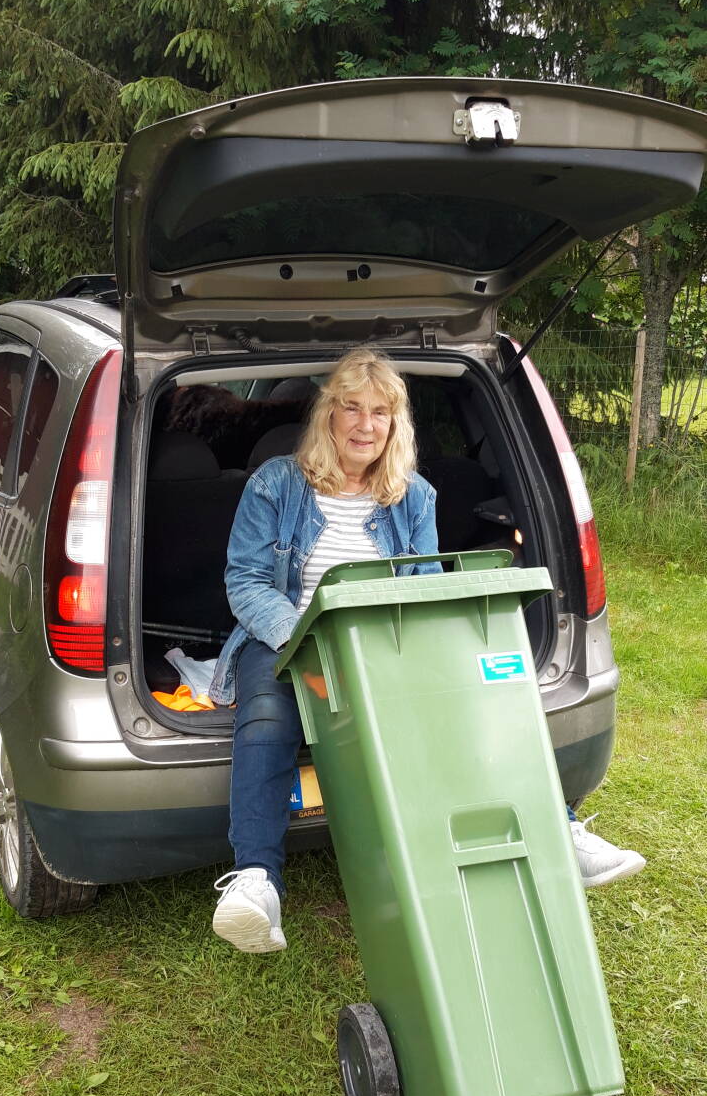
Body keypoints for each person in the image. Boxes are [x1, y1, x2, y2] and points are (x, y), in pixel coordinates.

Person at [209, 348, 644, 953]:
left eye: (380, 412)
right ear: (328, 414)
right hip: (286, 636)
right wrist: (301, 639)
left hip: (387, 639)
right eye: (352, 408)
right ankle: (256, 883)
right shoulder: (276, 483)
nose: (365, 425)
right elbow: (247, 583)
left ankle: (560, 832)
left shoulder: (414, 494)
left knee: (477, 694)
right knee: (266, 716)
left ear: (396, 422)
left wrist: (421, 659)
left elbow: (424, 586)